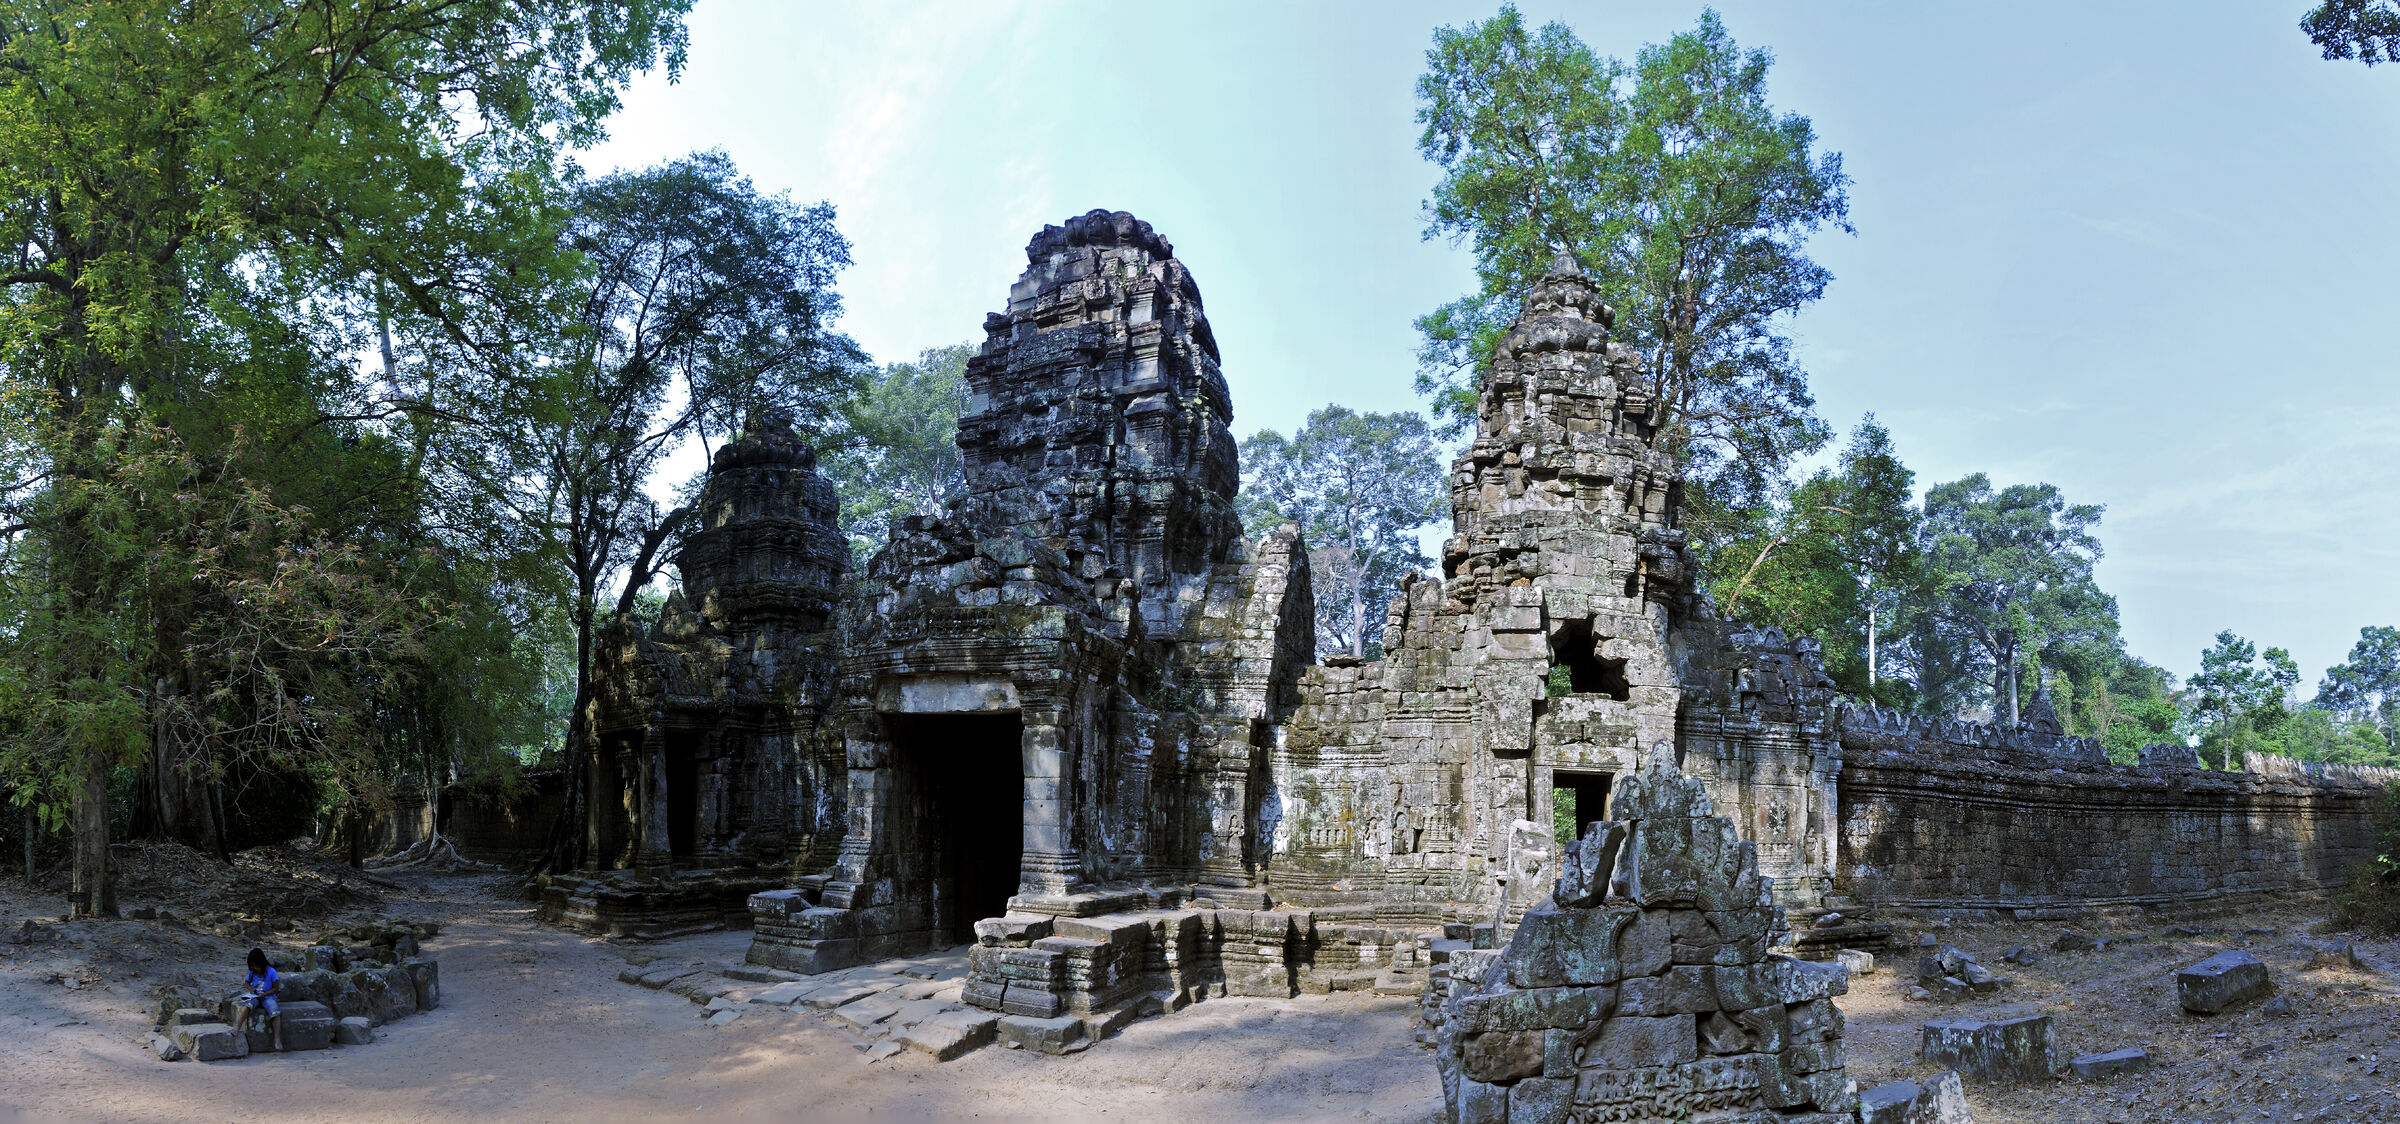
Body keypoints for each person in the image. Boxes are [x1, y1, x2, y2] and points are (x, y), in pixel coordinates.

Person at [233, 947, 282, 1052]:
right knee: (247, 1006)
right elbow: (246, 983)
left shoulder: (271, 972)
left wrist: (265, 994)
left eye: (256, 965)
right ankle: (237, 1027)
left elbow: (276, 988)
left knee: (275, 1012)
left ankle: (277, 1039)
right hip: (255, 996)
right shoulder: (252, 972)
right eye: (252, 966)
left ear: (262, 963)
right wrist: (251, 989)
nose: (254, 967)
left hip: (268, 997)